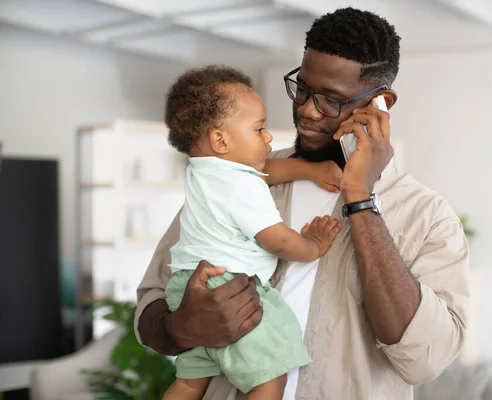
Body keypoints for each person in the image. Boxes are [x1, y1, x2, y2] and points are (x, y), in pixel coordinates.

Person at [135, 7, 470, 400]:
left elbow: (424, 360)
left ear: (380, 103)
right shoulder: (236, 176)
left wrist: (360, 197)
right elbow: (152, 306)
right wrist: (182, 327)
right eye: (304, 89)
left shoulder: (427, 217)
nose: (308, 110)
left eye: (331, 99)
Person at [160, 66, 343, 400]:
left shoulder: (204, 171)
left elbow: (267, 171)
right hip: (229, 292)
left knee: (189, 382)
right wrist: (313, 245)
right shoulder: (243, 187)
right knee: (270, 378)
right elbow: (278, 241)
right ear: (221, 140)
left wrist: (310, 170)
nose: (269, 138)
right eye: (259, 129)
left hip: (187, 291)